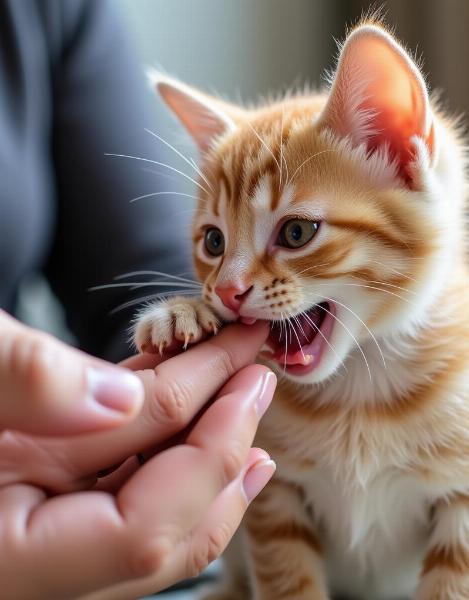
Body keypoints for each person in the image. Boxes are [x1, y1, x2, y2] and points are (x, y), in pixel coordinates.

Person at [0, 1, 275, 597]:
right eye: (217, 242)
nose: (235, 284)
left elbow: (145, 280)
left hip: (39, 496)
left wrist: (181, 397)